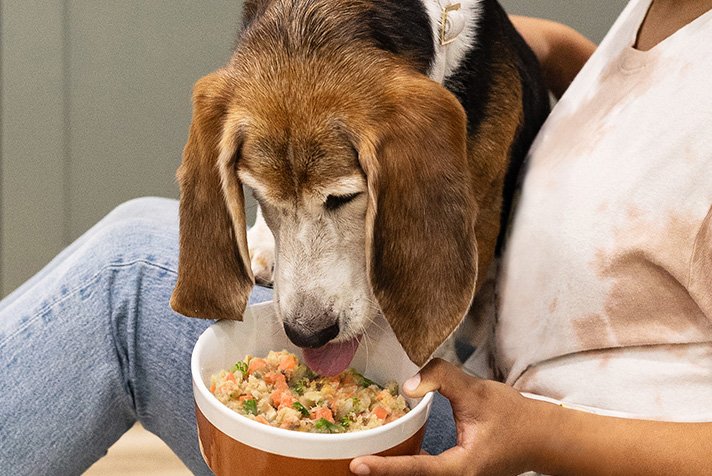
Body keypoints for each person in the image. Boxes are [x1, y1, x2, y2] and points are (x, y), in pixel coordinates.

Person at [0, 0, 710, 474]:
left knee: (123, 276)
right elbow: (627, 105)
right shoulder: (660, 11)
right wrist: (516, 51)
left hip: (534, 448)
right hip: (495, 405)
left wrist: (540, 434)